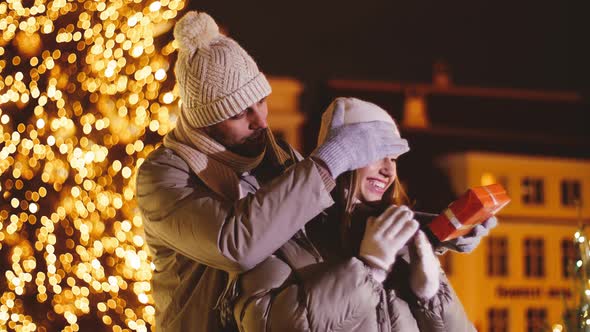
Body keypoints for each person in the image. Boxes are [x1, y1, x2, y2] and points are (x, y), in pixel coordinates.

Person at [135, 12, 408, 331]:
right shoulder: (163, 177)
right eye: (240, 114)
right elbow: (234, 244)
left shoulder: (274, 156)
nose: (261, 121)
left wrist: (434, 231)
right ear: (204, 121)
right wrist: (326, 163)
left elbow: (334, 223)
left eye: (261, 102)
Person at [233, 98, 497, 331]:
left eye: (393, 158)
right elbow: (269, 324)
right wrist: (369, 270)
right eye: (378, 154)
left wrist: (432, 296)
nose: (388, 170)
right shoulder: (285, 233)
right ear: (342, 154)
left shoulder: (399, 242)